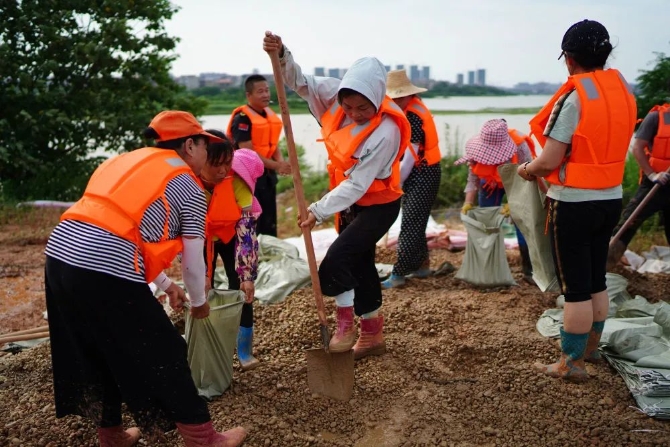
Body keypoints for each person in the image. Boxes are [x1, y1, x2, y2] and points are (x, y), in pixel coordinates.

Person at [44, 111, 247, 446]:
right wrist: (199, 303)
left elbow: (123, 229)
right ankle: (204, 438)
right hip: (104, 266)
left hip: (60, 255)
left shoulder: (126, 161)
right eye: (203, 145)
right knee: (167, 350)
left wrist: (168, 286)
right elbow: (194, 261)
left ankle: (111, 434)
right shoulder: (188, 184)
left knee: (93, 347)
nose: (206, 155)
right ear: (190, 145)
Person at [263, 31, 410, 360]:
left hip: (380, 205)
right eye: (349, 106)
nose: (355, 113)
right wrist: (282, 55)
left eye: (363, 108)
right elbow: (300, 82)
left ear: (377, 99)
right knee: (361, 263)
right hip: (352, 202)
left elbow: (358, 184)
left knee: (337, 261)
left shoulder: (386, 131)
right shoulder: (335, 94)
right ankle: (372, 335)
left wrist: (318, 209)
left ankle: (345, 324)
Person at [518, 19, 636, 381]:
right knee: (597, 279)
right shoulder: (624, 93)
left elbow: (550, 159)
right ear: (605, 54)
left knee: (575, 289)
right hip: (611, 199)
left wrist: (527, 169)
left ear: (569, 59)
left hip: (573, 204)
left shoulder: (575, 97)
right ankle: (591, 350)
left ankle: (571, 363)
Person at [201, 130, 264, 371]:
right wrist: (201, 276)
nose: (222, 171)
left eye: (227, 163)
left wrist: (247, 275)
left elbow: (246, 230)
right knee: (200, 289)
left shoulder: (237, 179)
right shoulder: (187, 182)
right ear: (199, 160)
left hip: (231, 235)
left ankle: (245, 350)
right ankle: (209, 346)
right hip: (201, 238)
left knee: (241, 288)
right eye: (215, 165)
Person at [381, 69, 442, 289]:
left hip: (424, 173)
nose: (396, 100)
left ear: (409, 95)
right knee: (416, 220)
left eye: (400, 96)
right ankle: (422, 266)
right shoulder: (407, 109)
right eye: (393, 97)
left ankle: (399, 274)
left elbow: (409, 159)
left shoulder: (413, 115)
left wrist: (395, 184)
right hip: (419, 172)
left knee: (410, 224)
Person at [454, 119, 535, 281]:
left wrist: (513, 204)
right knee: (486, 223)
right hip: (489, 183)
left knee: (522, 224)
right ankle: (488, 268)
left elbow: (530, 178)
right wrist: (468, 202)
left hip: (518, 182)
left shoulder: (520, 147)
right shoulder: (476, 149)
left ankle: (529, 270)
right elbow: (473, 177)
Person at [607, 101, 670, 268]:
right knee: (630, 221)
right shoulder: (656, 117)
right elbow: (637, 148)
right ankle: (605, 267)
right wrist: (652, 174)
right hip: (655, 183)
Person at [227, 74, 291, 237]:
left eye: (267, 90)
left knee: (269, 219)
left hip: (267, 176)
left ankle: (270, 249)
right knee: (253, 221)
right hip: (248, 178)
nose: (266, 95)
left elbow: (273, 145)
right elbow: (248, 152)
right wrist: (277, 165)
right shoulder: (242, 119)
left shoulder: (269, 114)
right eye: (260, 91)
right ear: (249, 95)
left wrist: (282, 163)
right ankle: (253, 258)